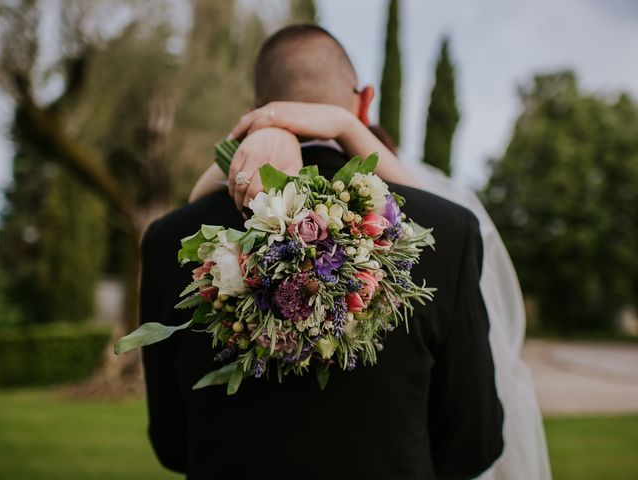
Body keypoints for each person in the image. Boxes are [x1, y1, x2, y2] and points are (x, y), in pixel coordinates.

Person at [141, 25, 504, 479]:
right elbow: (474, 442)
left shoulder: (167, 240)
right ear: (365, 103)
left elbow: (174, 445)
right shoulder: (448, 231)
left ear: (253, 115)